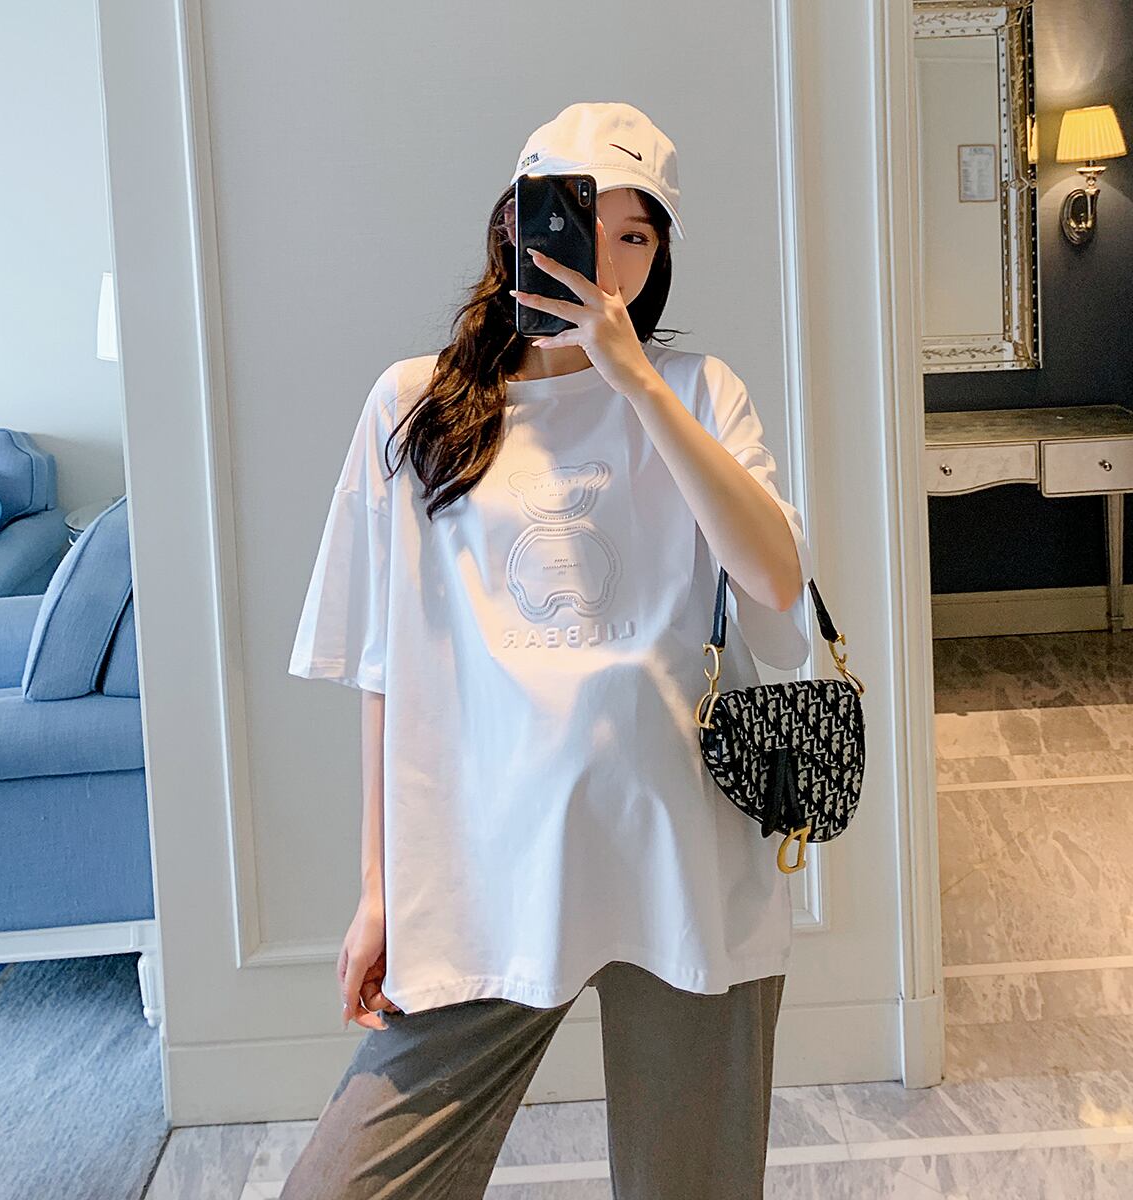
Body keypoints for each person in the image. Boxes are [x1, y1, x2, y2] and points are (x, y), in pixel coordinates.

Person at [282, 100, 814, 1200]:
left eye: (635, 234)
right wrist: (377, 891)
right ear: (514, 229)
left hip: (686, 862)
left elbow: (774, 582)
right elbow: (386, 666)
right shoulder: (415, 404)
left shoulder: (700, 392)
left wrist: (635, 382)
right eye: (577, 222)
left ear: (659, 256)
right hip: (485, 872)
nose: (605, 261)